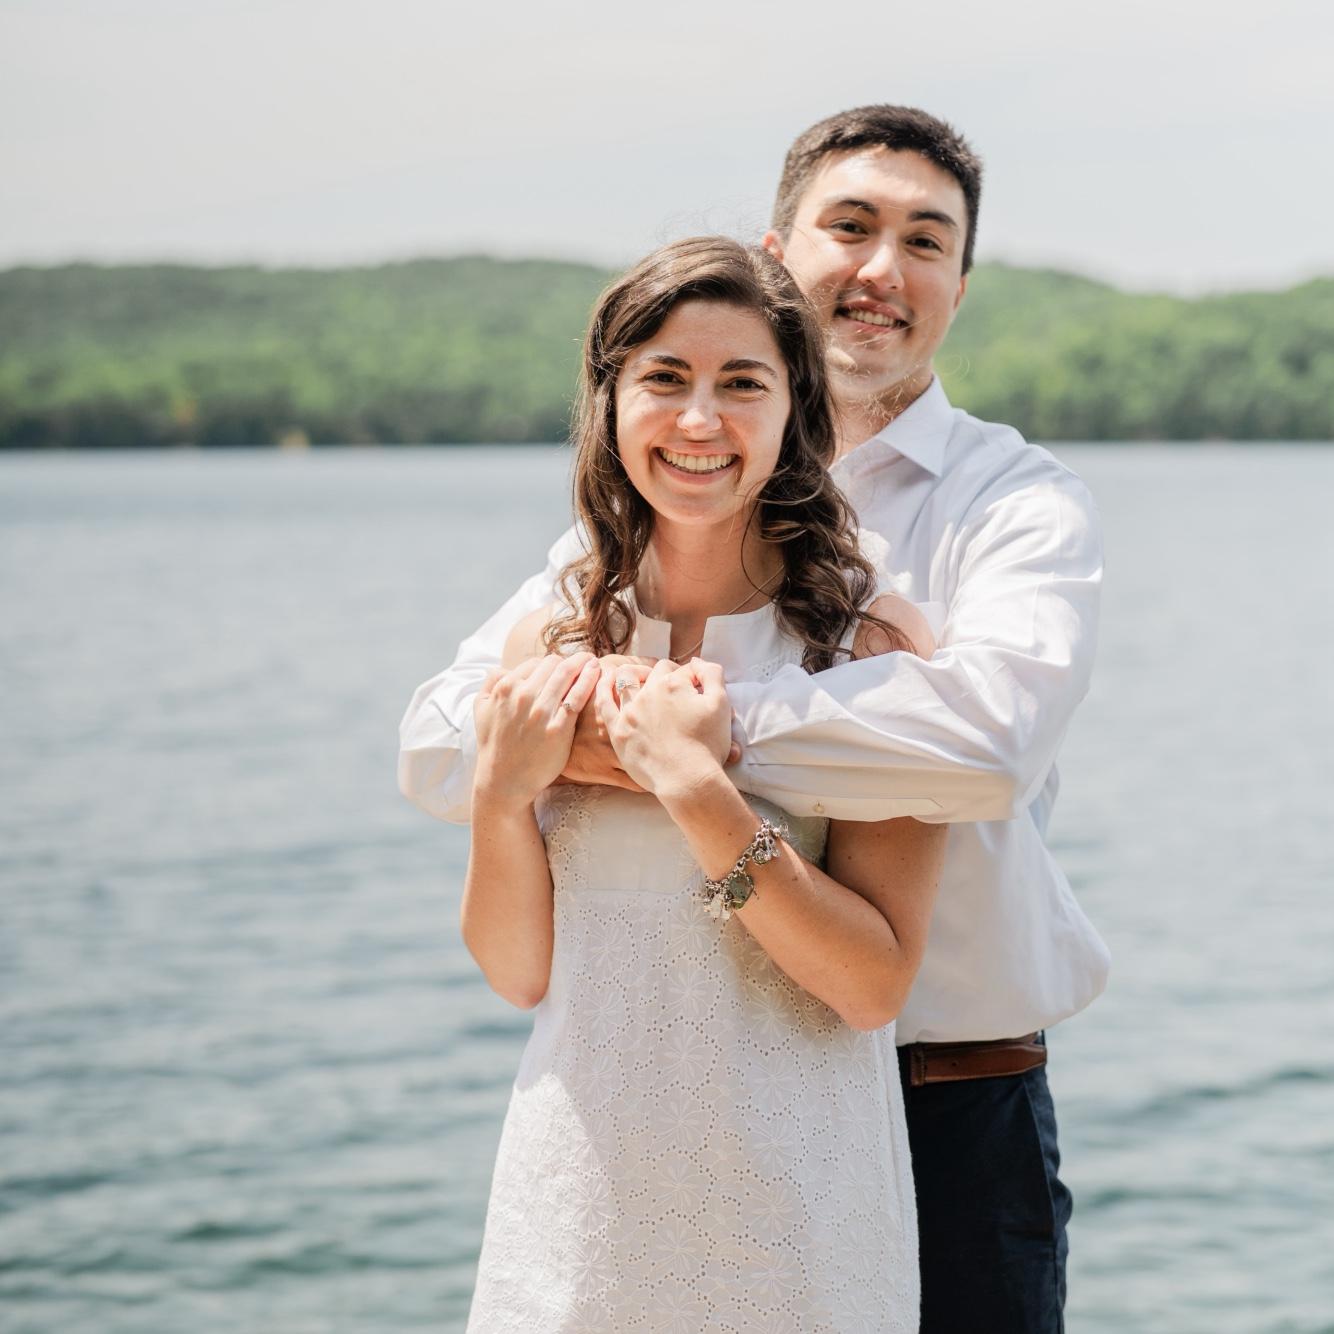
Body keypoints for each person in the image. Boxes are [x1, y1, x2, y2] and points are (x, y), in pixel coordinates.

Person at [401, 105, 1109, 1333]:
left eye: (924, 240)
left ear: (959, 281)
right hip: (630, 1114)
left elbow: (983, 744)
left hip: (945, 1092)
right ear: (778, 251)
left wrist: (697, 743)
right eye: (850, 225)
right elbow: (441, 738)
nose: (883, 268)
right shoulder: (607, 559)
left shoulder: (1012, 502)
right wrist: (590, 737)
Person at [462, 236, 944, 1331]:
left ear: (793, 414)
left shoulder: (869, 644)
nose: (697, 420)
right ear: (610, 402)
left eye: (741, 384)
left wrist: (693, 787)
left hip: (794, 1213)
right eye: (664, 379)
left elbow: (870, 985)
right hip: (573, 1206)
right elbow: (516, 969)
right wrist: (498, 800)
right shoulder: (549, 635)